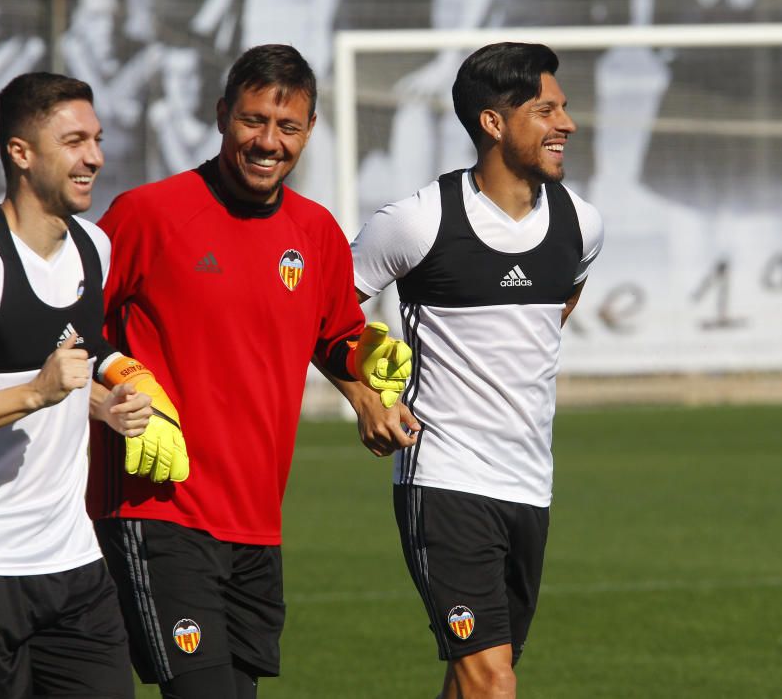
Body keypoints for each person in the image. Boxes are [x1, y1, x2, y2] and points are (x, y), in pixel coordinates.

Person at [86, 43, 413, 699]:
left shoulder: (315, 231)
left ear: (310, 131)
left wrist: (367, 366)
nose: (269, 142)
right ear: (221, 115)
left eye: (287, 127)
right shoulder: (148, 215)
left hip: (258, 522)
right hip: (158, 509)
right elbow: (69, 333)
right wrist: (121, 382)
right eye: (253, 120)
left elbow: (335, 336)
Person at [346, 42, 604, 698]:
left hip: (530, 485)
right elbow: (322, 310)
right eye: (547, 110)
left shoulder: (581, 223)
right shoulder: (417, 222)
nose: (567, 125)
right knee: (493, 682)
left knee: (473, 682)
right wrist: (366, 395)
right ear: (493, 122)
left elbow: (562, 299)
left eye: (565, 108)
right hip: (445, 480)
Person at [0, 71, 185, 698]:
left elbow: (76, 360)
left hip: (75, 564)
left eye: (98, 139)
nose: (95, 158)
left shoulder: (93, 248)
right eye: (74, 140)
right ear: (20, 153)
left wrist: (106, 406)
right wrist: (35, 393)